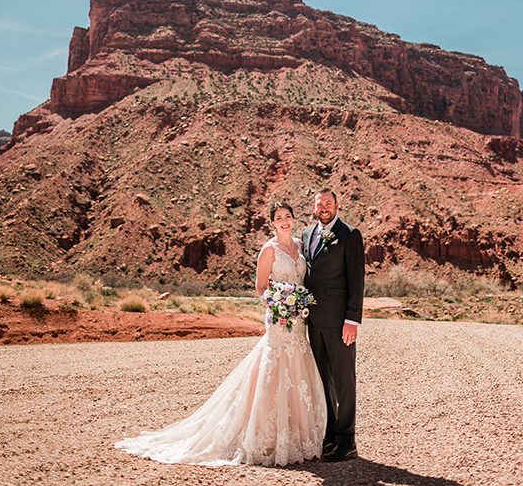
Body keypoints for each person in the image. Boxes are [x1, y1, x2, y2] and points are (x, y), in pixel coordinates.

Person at [116, 201, 327, 467]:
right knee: (274, 372)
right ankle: (266, 439)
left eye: (287, 216)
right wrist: (277, 302)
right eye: (279, 217)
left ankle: (297, 437)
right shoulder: (269, 250)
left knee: (297, 372)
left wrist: (297, 302)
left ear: (293, 219)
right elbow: (261, 288)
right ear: (272, 222)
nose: (284, 221)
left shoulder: (300, 246)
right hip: (278, 319)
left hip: (298, 323)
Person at [301, 188, 365, 462]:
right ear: (314, 207)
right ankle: (329, 435)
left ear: (337, 205)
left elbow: (356, 280)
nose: (324, 207)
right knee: (322, 378)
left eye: (329, 203)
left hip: (340, 321)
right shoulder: (306, 235)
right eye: (320, 203)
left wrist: (352, 319)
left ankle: (347, 439)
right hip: (313, 320)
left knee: (343, 380)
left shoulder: (349, 234)